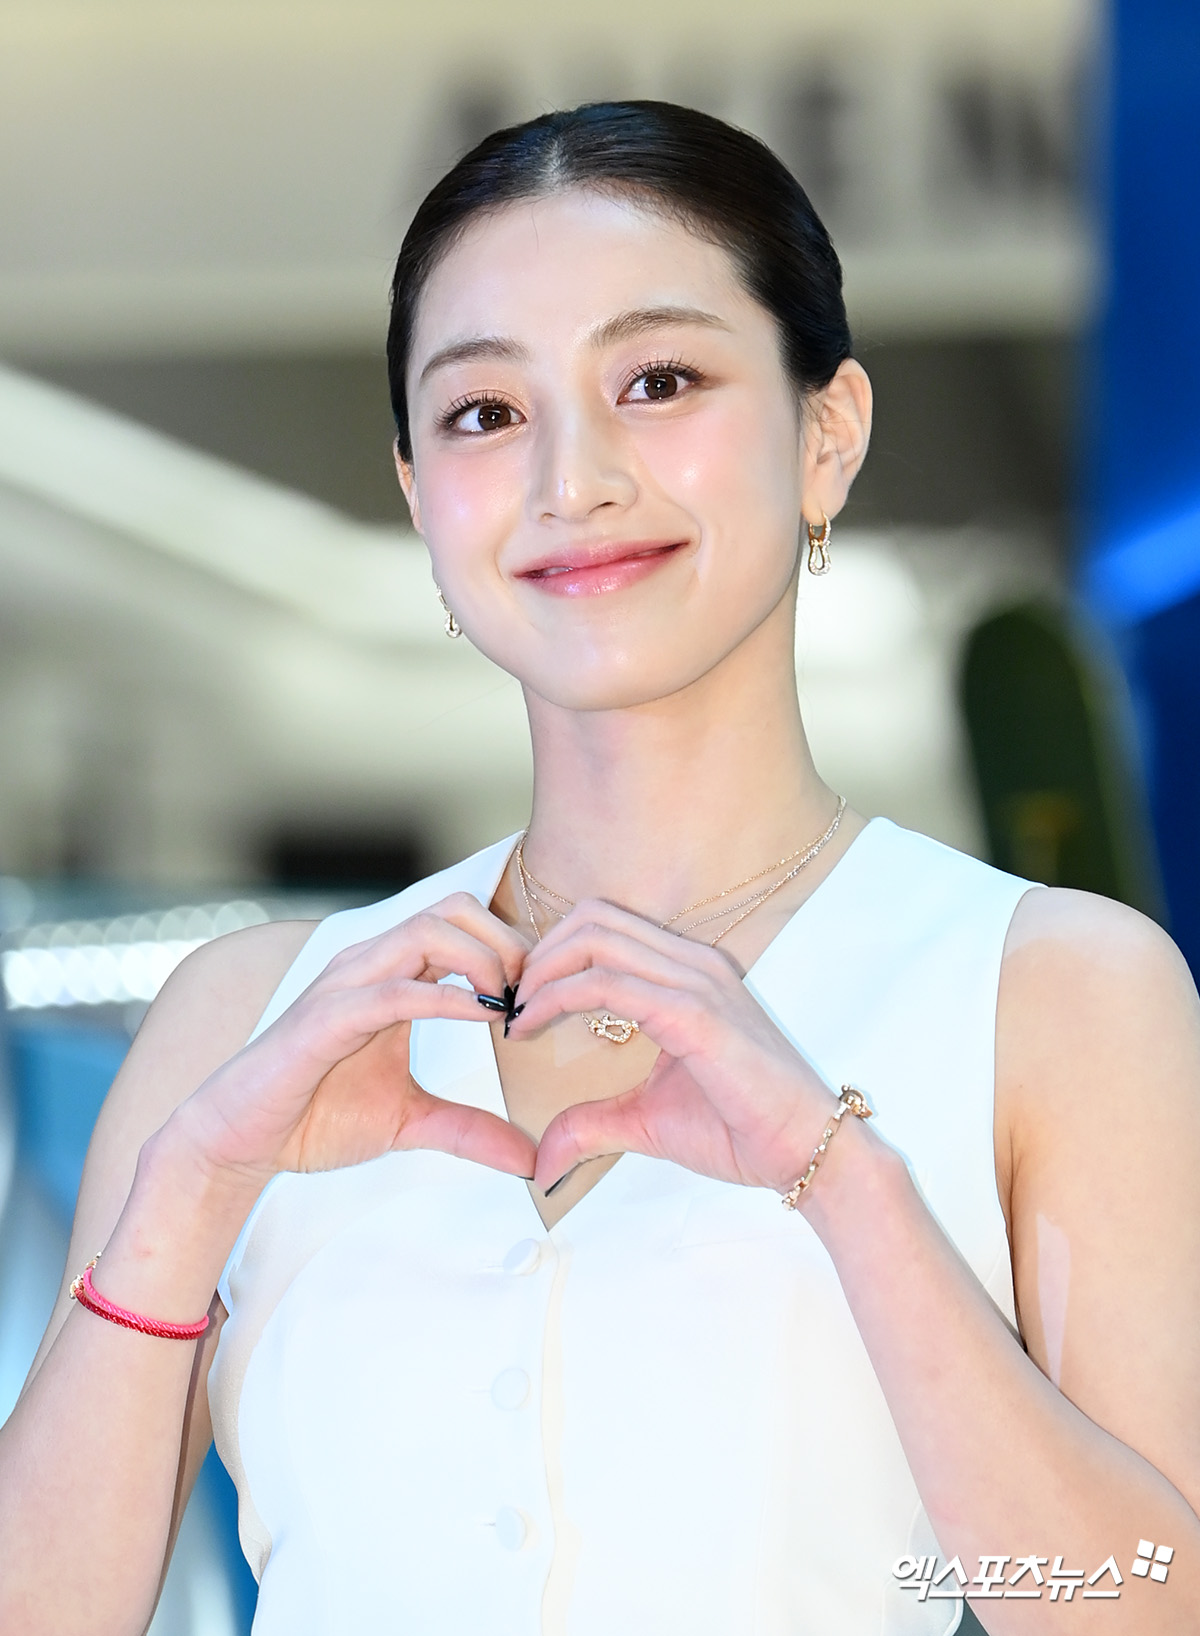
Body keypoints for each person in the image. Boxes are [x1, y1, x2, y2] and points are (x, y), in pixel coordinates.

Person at [1, 101, 1198, 1636]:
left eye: (659, 381)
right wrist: (184, 1197)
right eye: (485, 413)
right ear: (419, 493)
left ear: (826, 433)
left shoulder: (1047, 989)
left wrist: (842, 1182)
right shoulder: (244, 1019)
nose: (573, 478)